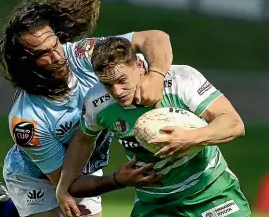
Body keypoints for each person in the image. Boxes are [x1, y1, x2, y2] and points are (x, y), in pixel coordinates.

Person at [0, 0, 173, 217]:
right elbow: (65, 181)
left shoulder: (82, 55)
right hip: (37, 178)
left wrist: (155, 76)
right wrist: (118, 180)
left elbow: (155, 38)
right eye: (43, 53)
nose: (57, 56)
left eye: (56, 45)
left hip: (85, 166)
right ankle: (1, 207)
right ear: (26, 62)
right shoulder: (27, 120)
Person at [56, 37, 251, 217]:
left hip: (211, 191)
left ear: (139, 66)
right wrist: (63, 188)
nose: (116, 91)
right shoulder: (97, 102)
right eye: (108, 85)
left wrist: (190, 138)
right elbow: (83, 140)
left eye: (122, 80)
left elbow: (234, 124)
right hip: (155, 204)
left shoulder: (180, 80)